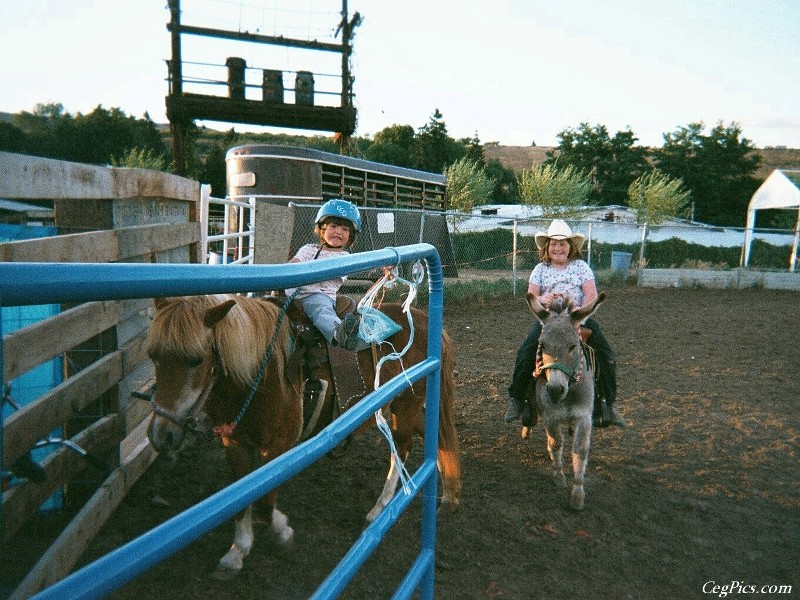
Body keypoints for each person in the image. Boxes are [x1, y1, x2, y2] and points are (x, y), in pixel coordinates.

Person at [504, 219, 626, 427]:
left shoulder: (581, 268)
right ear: (547, 247)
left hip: (579, 321)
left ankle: (608, 404)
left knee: (607, 356)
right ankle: (518, 400)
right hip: (548, 323)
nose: (558, 248)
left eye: (562, 244)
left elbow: (591, 295)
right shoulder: (540, 269)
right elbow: (531, 296)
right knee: (525, 354)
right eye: (553, 243)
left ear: (571, 247)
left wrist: (579, 311)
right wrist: (543, 301)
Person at [286, 198, 370, 352]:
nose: (338, 231)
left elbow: (336, 271)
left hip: (317, 295)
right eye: (333, 226)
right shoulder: (308, 249)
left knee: (320, 310)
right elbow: (294, 263)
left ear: (351, 236)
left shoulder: (345, 257)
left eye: (345, 229)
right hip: (291, 293)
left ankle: (339, 333)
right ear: (321, 229)